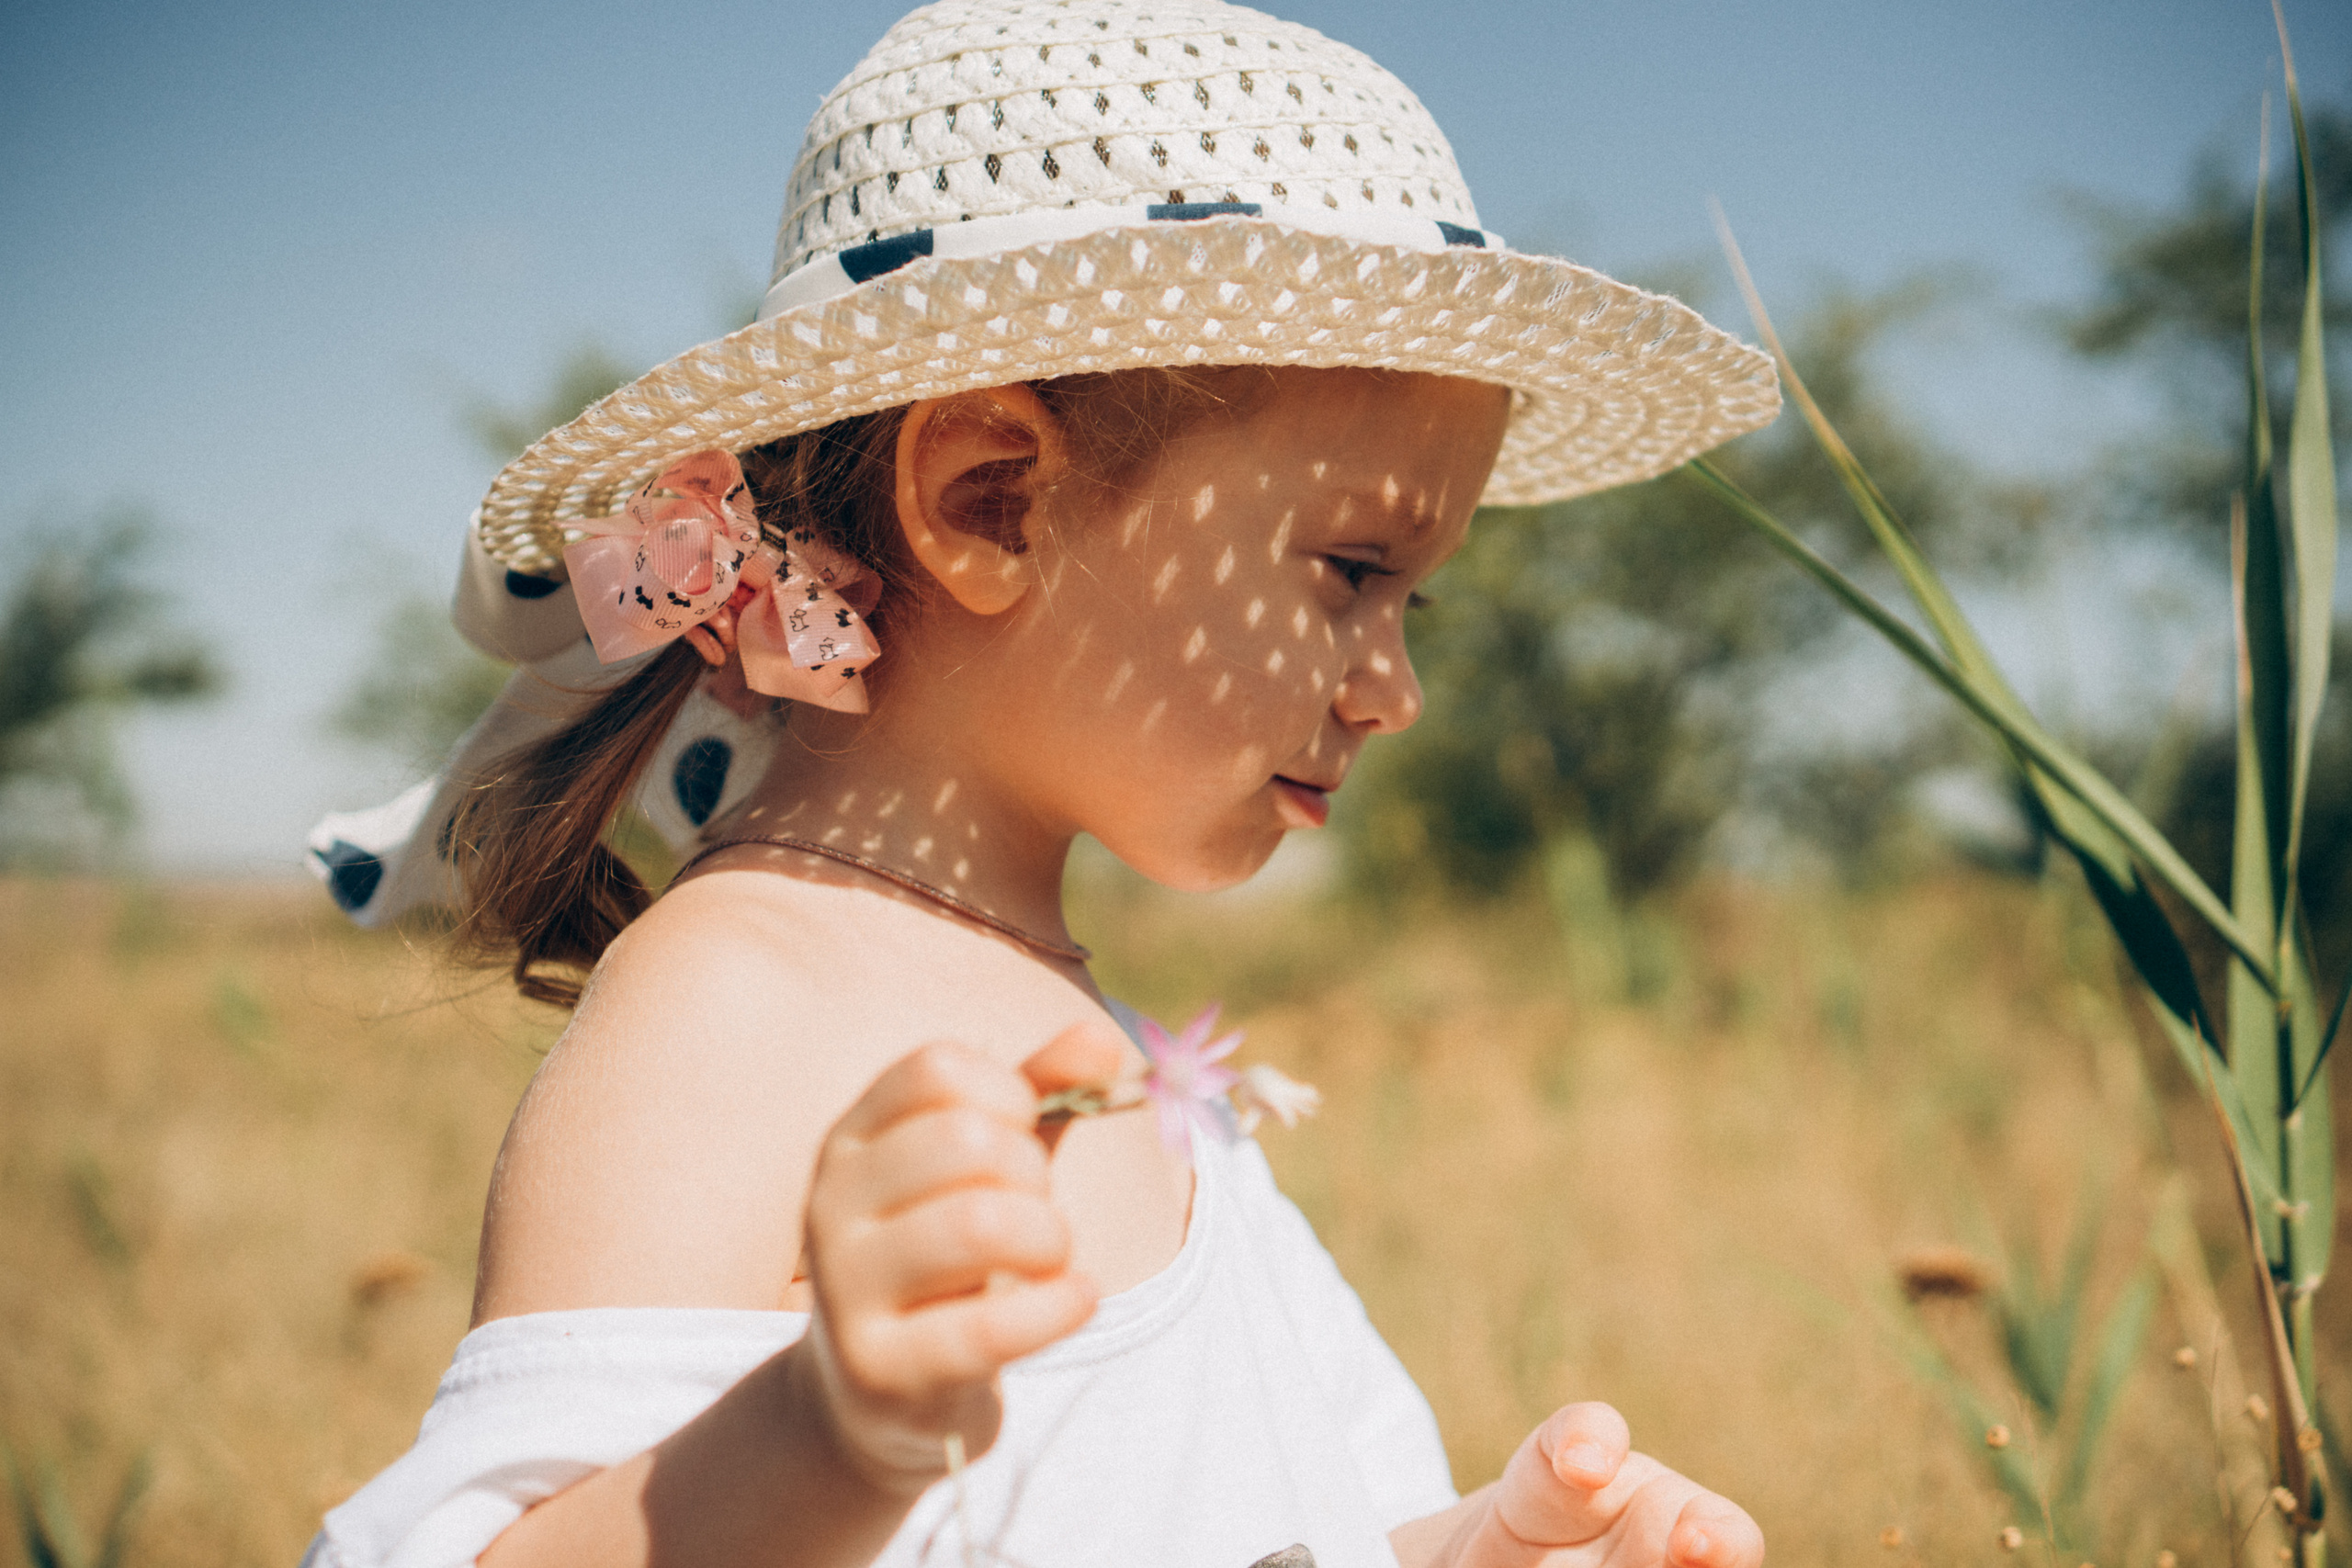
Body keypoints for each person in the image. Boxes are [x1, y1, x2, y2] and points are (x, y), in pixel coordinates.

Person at [302, 2, 1781, 1565]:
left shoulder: (1131, 1063)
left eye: (1414, 600)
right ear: (990, 500)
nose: (1395, 684)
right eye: (1350, 570)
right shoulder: (740, 1005)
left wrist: (1472, 1550)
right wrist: (823, 1436)